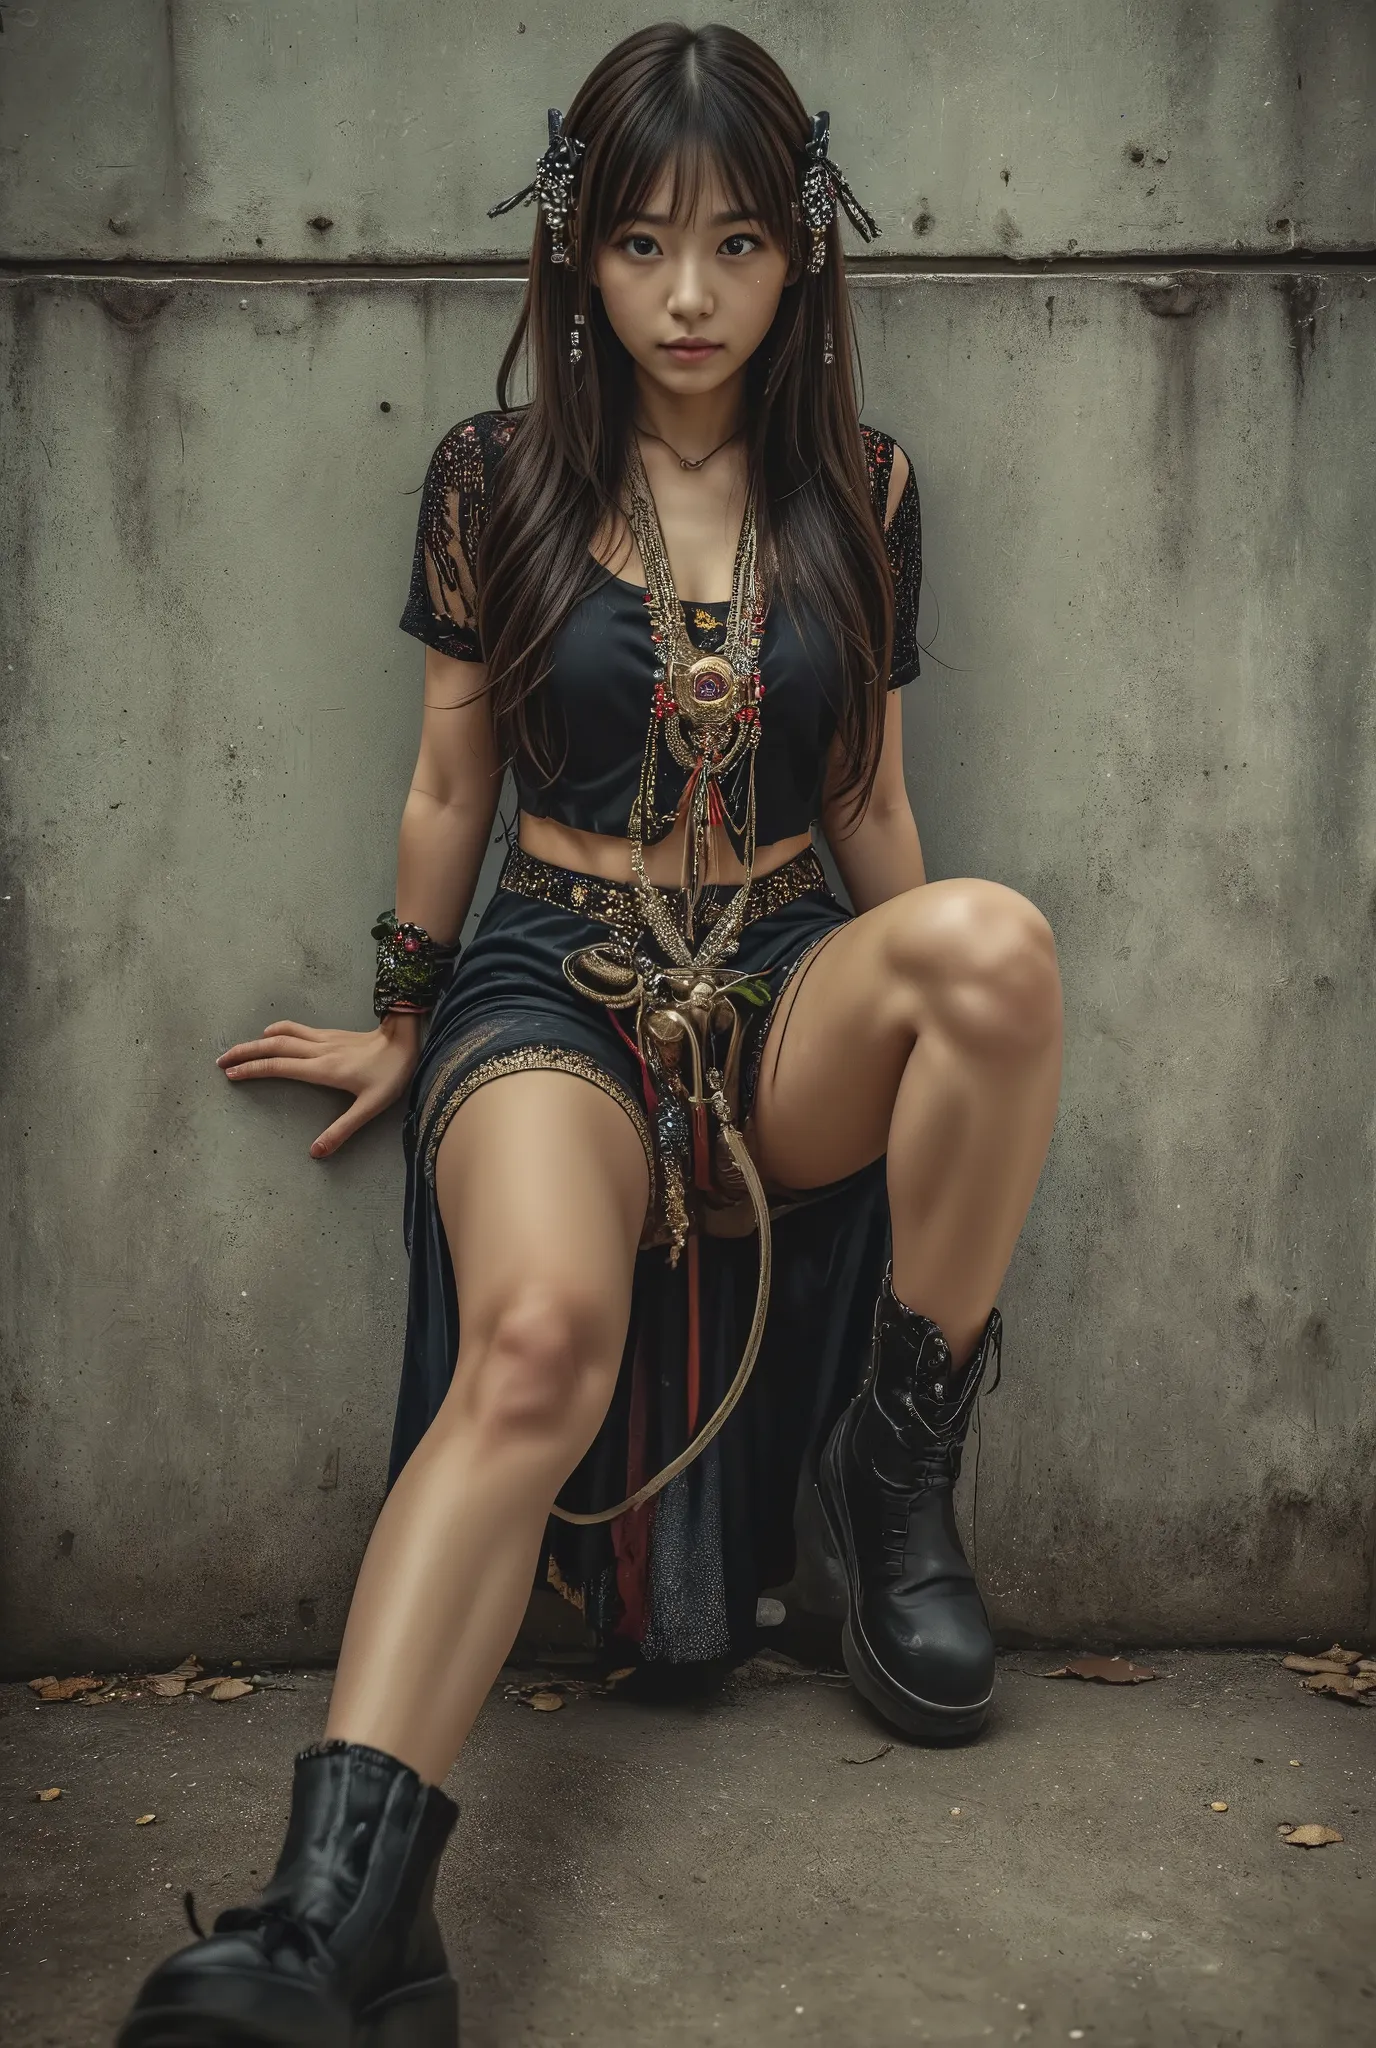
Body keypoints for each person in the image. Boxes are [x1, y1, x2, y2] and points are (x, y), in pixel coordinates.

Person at [116, 21, 1063, 2047]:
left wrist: (933, 1029)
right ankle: (337, 1922)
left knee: (993, 944)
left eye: (733, 242)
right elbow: (449, 787)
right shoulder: (498, 476)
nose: (692, 294)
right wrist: (402, 1005)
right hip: (550, 973)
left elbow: (876, 804)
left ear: (804, 253)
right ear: (579, 257)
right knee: (536, 1336)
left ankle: (887, 1470)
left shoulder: (866, 492)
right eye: (643, 245)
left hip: (786, 977)